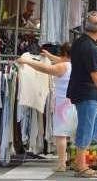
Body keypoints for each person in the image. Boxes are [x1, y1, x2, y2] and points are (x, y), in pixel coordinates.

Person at [68, 12, 97, 178]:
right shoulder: (90, 47)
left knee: (92, 127)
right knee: (86, 127)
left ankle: (82, 161)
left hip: (82, 91)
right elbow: (95, 74)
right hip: (87, 92)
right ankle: (81, 165)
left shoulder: (79, 43)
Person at [17, 44, 74, 172]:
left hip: (62, 104)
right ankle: (73, 160)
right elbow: (61, 61)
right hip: (74, 102)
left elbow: (44, 68)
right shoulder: (76, 64)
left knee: (61, 134)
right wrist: (48, 56)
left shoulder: (62, 66)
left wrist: (27, 61)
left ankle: (61, 164)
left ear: (64, 53)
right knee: (72, 133)